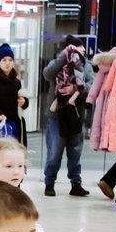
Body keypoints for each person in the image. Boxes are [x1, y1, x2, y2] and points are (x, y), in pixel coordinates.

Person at [42, 37, 89, 198]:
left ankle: (76, 183)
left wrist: (75, 88)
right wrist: (63, 57)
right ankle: (49, 182)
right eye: (78, 49)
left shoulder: (86, 65)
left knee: (75, 151)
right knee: (54, 151)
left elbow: (92, 87)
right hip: (57, 116)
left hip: (76, 114)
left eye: (81, 50)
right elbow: (47, 74)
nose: (81, 53)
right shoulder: (56, 63)